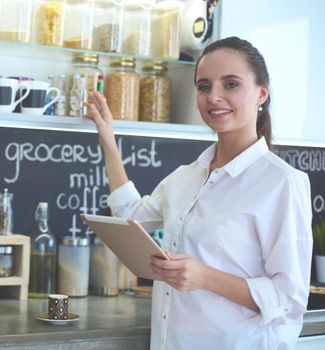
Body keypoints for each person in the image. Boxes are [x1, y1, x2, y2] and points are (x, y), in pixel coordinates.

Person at [84, 36, 313, 349]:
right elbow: (131, 215)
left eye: (230, 84)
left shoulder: (282, 183)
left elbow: (288, 299)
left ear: (261, 93)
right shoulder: (187, 177)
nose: (214, 97)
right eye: (204, 86)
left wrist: (204, 277)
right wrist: (108, 140)